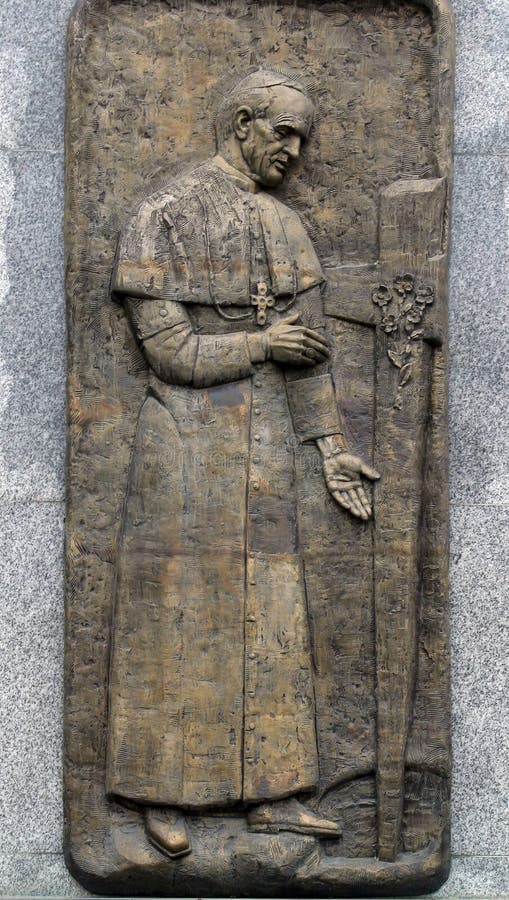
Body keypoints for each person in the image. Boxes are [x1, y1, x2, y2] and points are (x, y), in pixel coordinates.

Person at [106, 68, 379, 860]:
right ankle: (161, 792)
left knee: (271, 616)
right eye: (283, 133)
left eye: (304, 140)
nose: (294, 152)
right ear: (241, 124)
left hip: (263, 454)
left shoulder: (288, 227)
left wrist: (330, 451)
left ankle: (272, 795)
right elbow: (167, 353)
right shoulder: (164, 215)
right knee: (179, 616)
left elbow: (311, 356)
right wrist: (261, 343)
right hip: (186, 447)